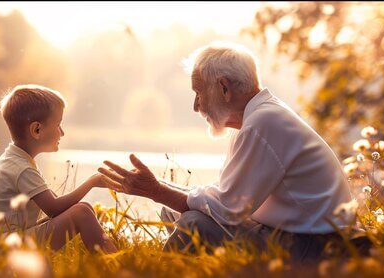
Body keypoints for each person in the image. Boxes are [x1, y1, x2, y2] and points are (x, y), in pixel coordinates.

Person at [99, 41, 353, 263]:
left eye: (199, 92)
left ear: (224, 88)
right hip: (297, 238)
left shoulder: (261, 123)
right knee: (173, 211)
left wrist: (155, 190)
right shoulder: (257, 119)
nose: (195, 105)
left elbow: (227, 209)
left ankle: (152, 272)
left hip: (316, 248)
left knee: (193, 225)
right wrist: (158, 188)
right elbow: (224, 199)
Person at [0, 84, 117, 253]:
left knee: (84, 209)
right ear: (37, 130)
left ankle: (113, 261)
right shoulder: (21, 168)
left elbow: (58, 209)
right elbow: (54, 209)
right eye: (58, 125)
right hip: (2, 249)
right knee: (82, 214)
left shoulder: (16, 160)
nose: (62, 133)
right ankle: (114, 265)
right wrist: (92, 182)